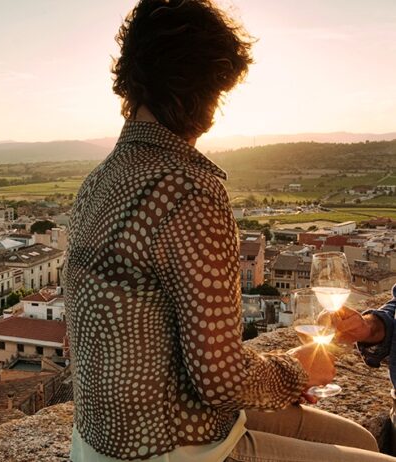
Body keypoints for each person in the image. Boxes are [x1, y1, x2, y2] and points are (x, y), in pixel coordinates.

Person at [64, 0, 394, 461]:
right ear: (202, 87)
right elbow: (219, 377)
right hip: (173, 445)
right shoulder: (188, 186)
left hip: (102, 439)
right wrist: (297, 373)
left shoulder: (98, 180)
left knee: (361, 439)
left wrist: (272, 386)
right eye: (218, 91)